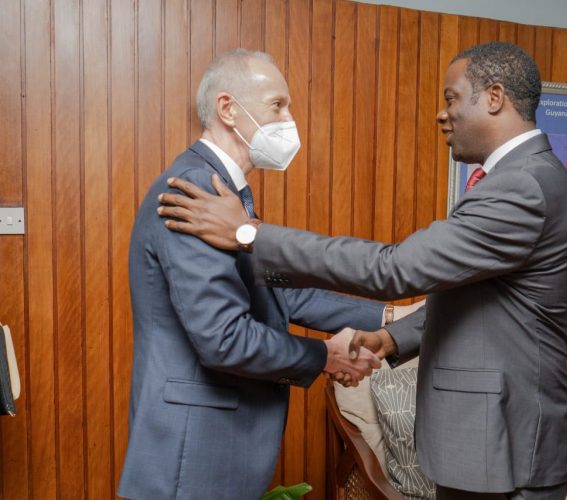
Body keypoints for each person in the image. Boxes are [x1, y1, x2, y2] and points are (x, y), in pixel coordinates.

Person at [158, 42, 567, 498]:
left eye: (450, 98)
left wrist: (251, 235)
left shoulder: (522, 185)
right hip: (493, 441)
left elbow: (395, 269)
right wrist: (390, 338)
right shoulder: (519, 179)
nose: (441, 115)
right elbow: (480, 296)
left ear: (494, 98)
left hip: (511, 441)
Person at [117, 48, 422, 500]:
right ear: (228, 109)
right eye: (278, 106)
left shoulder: (225, 191)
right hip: (194, 446)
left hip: (216, 440)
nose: (289, 119)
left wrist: (390, 318)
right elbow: (223, 338)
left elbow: (282, 296)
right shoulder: (195, 190)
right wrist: (327, 357)